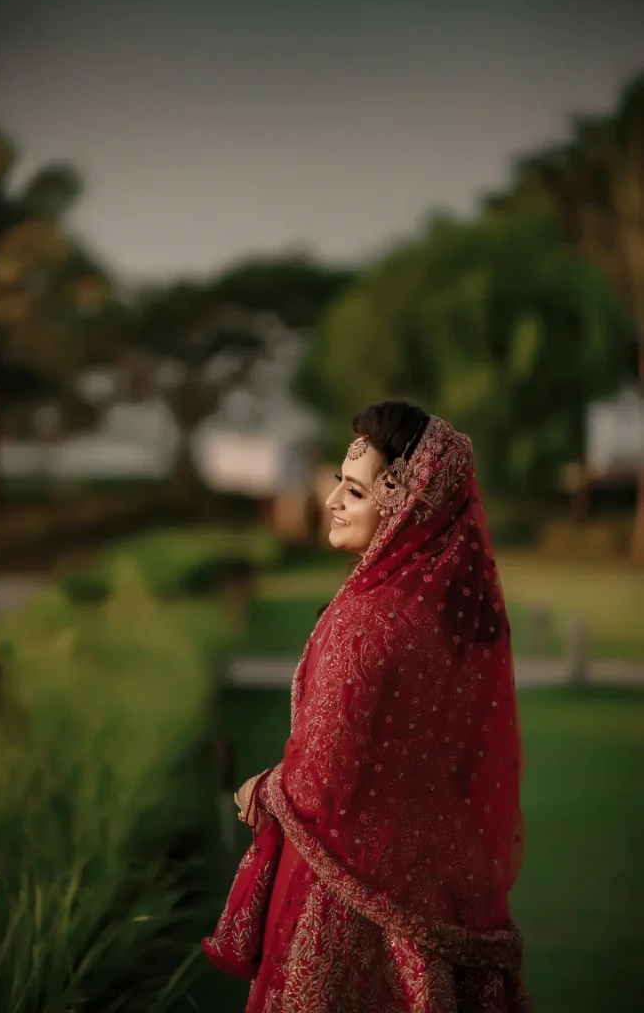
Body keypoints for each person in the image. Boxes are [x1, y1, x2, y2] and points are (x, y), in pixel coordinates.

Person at [207, 400, 530, 1012]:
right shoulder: (438, 619)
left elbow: (327, 779)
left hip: (346, 893)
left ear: (404, 505)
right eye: (339, 484)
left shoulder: (368, 622)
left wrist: (264, 788)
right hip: (437, 883)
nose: (331, 502)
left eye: (353, 492)